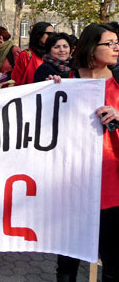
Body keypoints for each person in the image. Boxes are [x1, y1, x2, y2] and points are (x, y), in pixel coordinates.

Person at [54, 23, 119, 282]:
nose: (116, 48)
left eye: (117, 43)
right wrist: (51, 95)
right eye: (110, 43)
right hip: (73, 183)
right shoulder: (67, 82)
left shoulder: (118, 83)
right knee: (68, 258)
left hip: (112, 183)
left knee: (113, 259)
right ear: (93, 47)